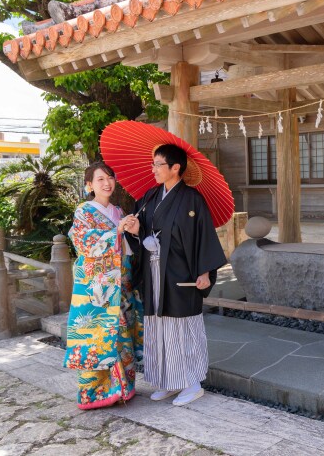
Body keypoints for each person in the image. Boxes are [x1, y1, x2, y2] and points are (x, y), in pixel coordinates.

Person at [126, 143, 227, 406]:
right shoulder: (149, 197)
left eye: (159, 164)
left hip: (181, 274)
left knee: (182, 328)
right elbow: (143, 232)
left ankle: (192, 384)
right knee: (158, 328)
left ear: (175, 167)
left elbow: (203, 236)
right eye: (153, 164)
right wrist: (138, 233)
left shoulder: (192, 199)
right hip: (153, 273)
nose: (154, 169)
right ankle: (169, 381)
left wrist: (204, 270)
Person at [64, 162, 143, 410]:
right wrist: (115, 233)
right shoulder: (84, 211)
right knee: (99, 336)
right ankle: (95, 393)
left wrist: (132, 230)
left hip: (123, 281)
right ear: (89, 185)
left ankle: (124, 388)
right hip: (99, 287)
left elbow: (128, 246)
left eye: (110, 177)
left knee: (123, 332)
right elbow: (84, 244)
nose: (107, 183)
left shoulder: (119, 211)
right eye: (100, 179)